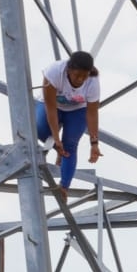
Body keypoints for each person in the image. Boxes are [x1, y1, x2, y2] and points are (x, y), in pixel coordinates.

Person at [35, 50, 102, 192]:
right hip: (54, 106)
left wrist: (94, 143)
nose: (80, 80)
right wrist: (56, 139)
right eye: (77, 75)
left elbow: (92, 113)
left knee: (70, 145)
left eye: (84, 76)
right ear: (69, 70)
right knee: (39, 129)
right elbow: (51, 107)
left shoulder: (93, 82)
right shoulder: (54, 72)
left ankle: (64, 187)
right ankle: (60, 150)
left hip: (77, 110)